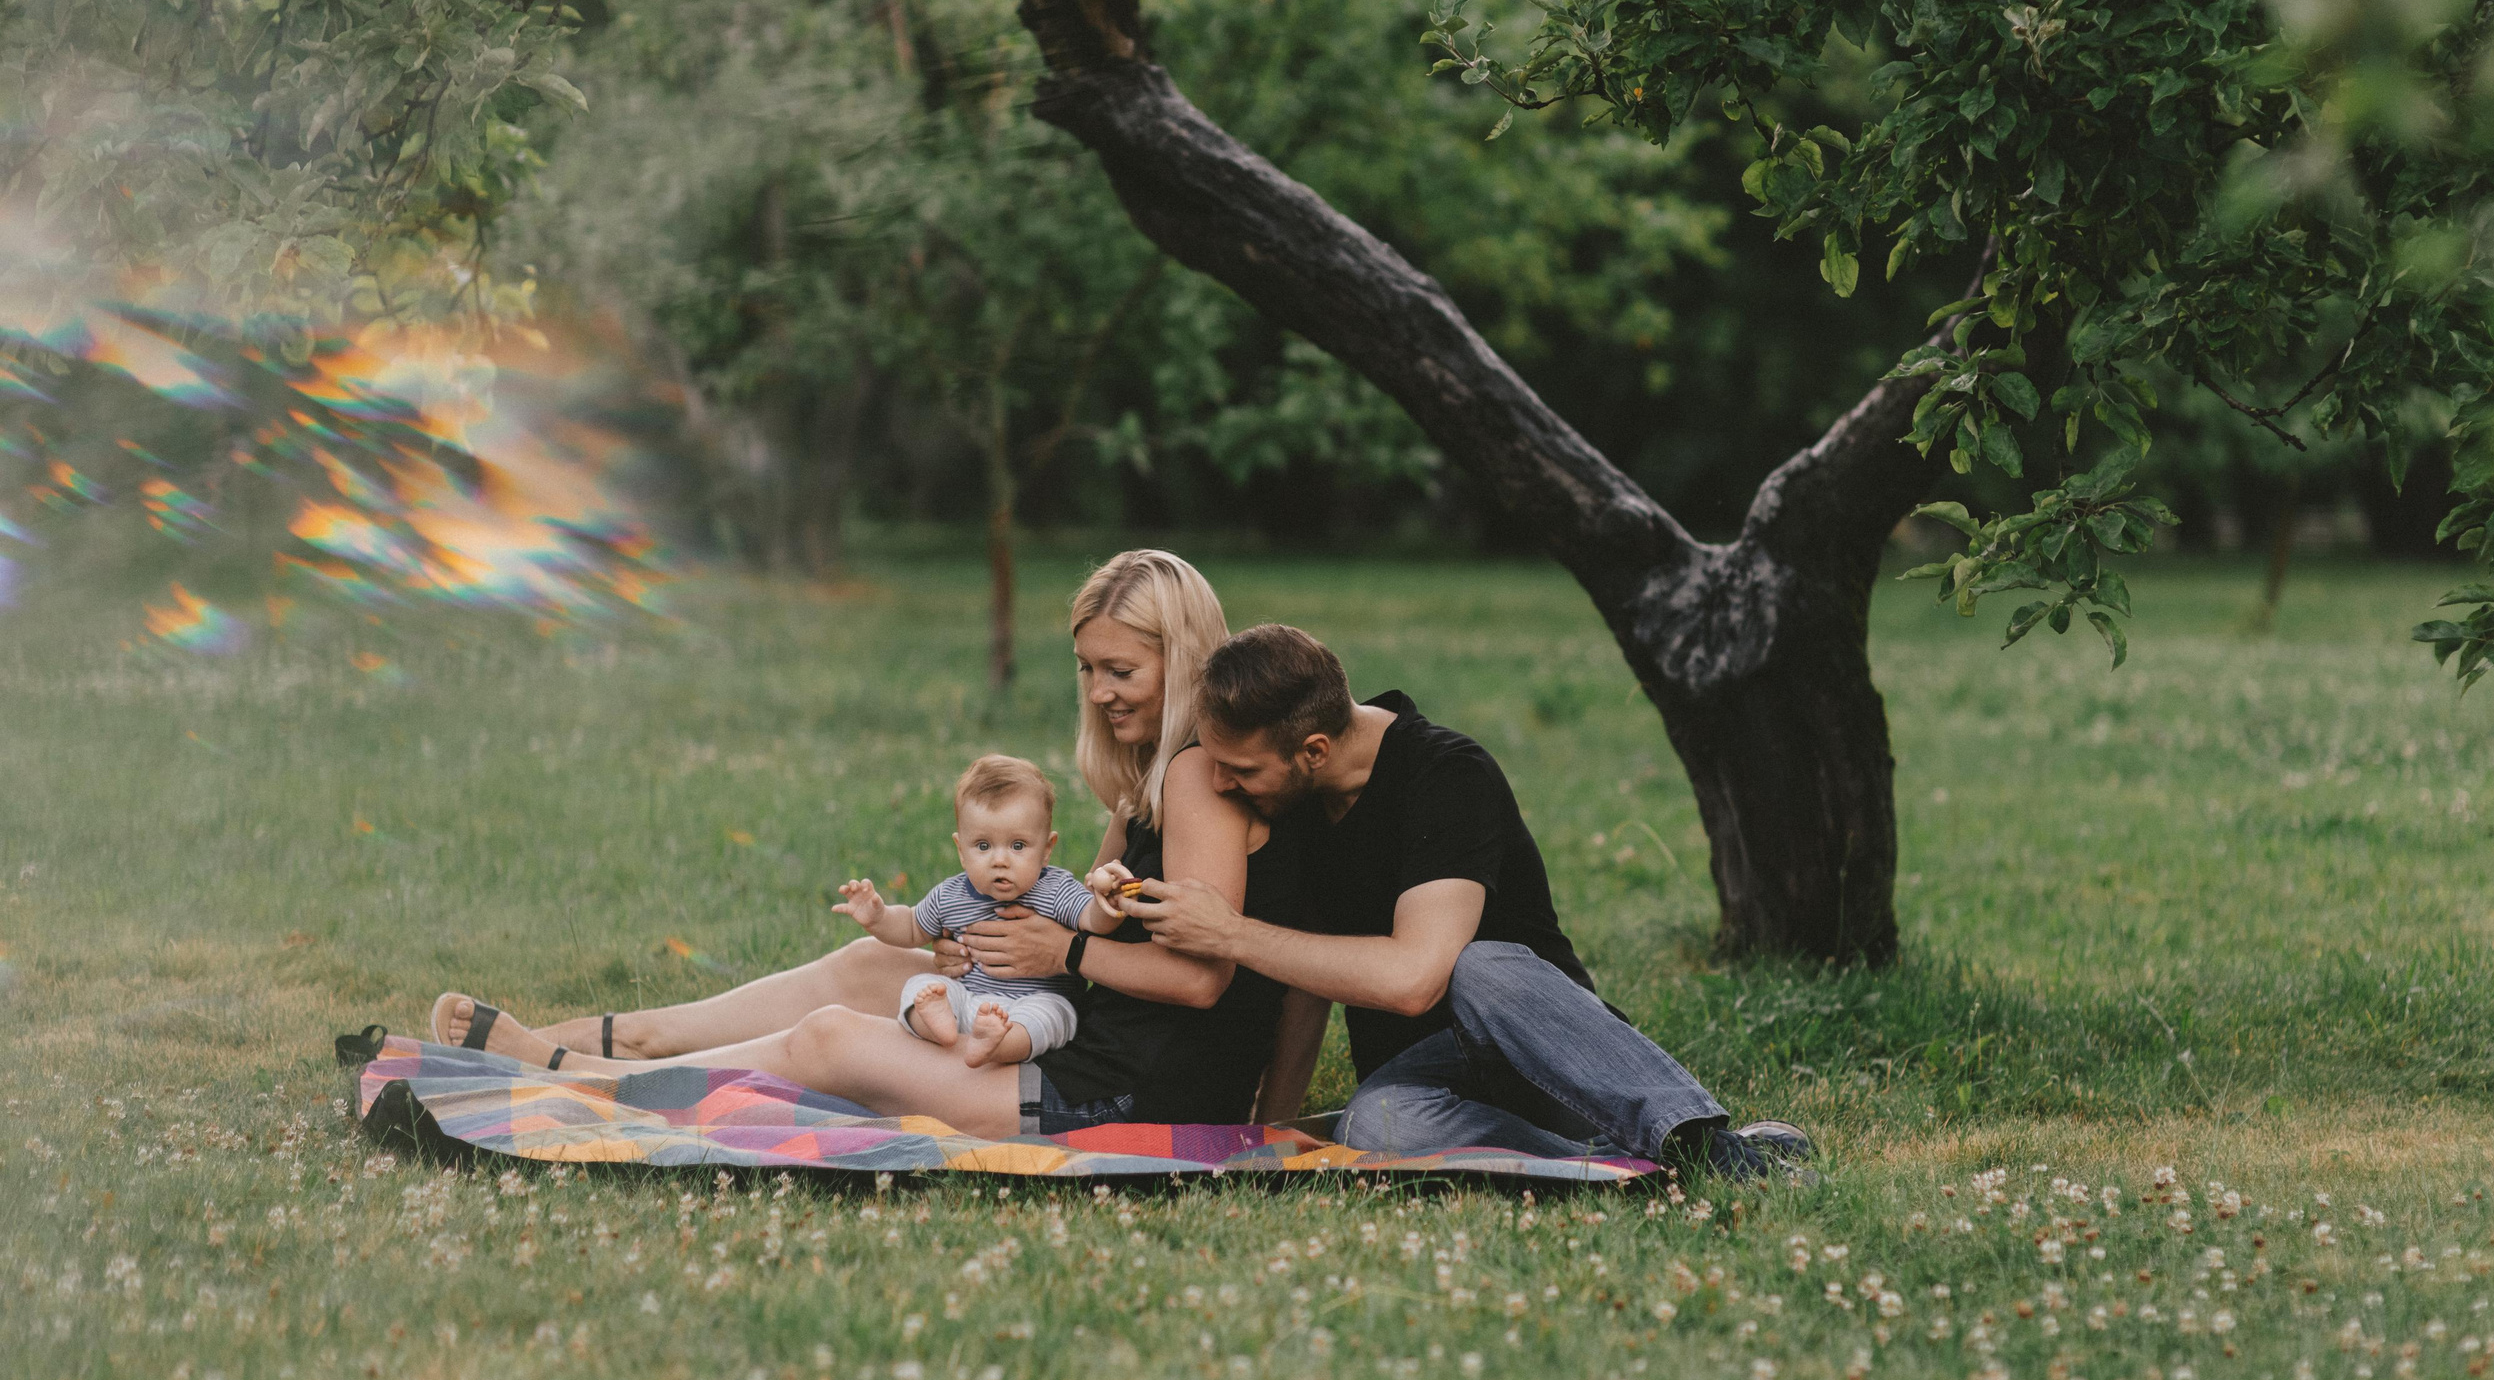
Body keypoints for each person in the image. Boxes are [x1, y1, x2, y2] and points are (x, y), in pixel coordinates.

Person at [427, 551, 1306, 1137]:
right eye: (1088, 668)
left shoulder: (1198, 777)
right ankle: (627, 1039)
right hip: (1078, 1032)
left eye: (1123, 671)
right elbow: (1086, 916)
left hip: (1130, 1093)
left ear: (1183, 659)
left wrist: (1061, 950)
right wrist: (1003, 938)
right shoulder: (1151, 774)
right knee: (864, 966)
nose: (1101, 691)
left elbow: (1203, 976)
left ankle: (590, 1084)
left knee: (832, 1041)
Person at [1122, 623, 1814, 1180]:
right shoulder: (1299, 800)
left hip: (1545, 1051)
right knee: (1373, 1126)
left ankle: (1705, 1143)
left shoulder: (1448, 775)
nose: (1221, 781)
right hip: (1431, 1082)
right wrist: (1267, 1135)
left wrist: (1233, 934)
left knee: (1475, 965)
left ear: (1314, 748)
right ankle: (1629, 1164)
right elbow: (1307, 980)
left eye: (1239, 768)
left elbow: (1414, 979)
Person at [833, 754, 1131, 1069]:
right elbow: (910, 928)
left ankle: (1000, 1044)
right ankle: (940, 1025)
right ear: (962, 851)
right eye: (983, 846)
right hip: (969, 998)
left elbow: (1090, 921)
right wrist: (878, 918)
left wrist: (1107, 903)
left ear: (1046, 850)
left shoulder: (1055, 890)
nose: (999, 860)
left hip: (1034, 1002)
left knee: (1053, 1016)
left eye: (1018, 846)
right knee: (919, 987)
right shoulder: (951, 894)